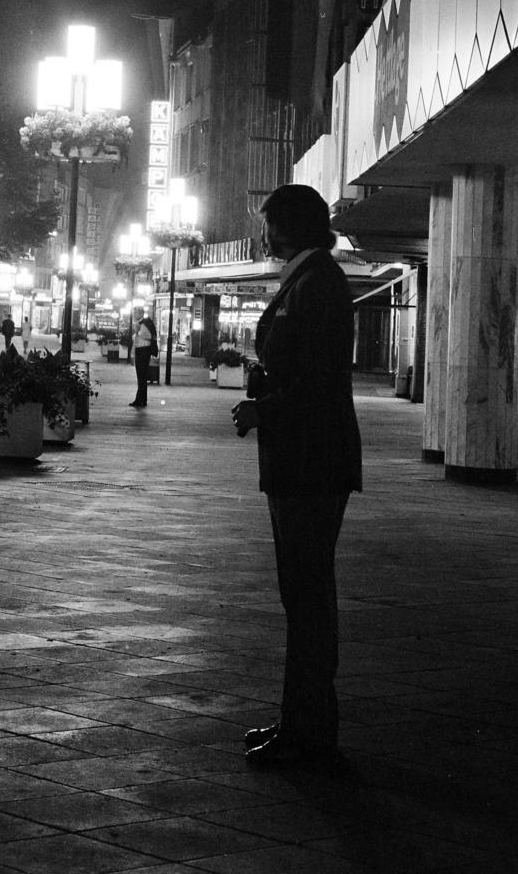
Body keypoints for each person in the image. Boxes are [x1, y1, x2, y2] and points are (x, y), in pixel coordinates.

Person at [231, 183, 361, 771]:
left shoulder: (320, 285)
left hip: (311, 458)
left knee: (307, 596)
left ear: (287, 226)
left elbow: (317, 380)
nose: (263, 235)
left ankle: (311, 732)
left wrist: (266, 406)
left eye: (267, 224)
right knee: (301, 594)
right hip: (299, 458)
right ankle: (301, 720)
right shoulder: (306, 280)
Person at [129, 313, 157, 407]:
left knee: (142, 377)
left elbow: (149, 336)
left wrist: (139, 332)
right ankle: (141, 399)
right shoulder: (140, 327)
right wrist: (132, 354)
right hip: (141, 351)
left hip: (144, 351)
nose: (134, 328)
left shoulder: (143, 326)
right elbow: (135, 343)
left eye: (135, 327)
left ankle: (140, 400)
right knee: (141, 377)